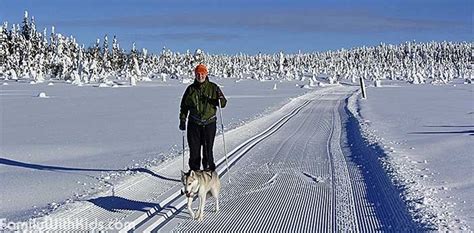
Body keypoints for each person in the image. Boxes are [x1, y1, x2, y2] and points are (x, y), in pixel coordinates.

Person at [179, 64, 227, 171]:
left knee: (207, 151)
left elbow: (223, 103)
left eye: (202, 74)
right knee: (194, 151)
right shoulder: (190, 89)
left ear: (206, 74)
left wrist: (219, 98)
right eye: (198, 74)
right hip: (194, 124)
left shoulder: (213, 88)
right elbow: (184, 106)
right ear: (195, 75)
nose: (200, 76)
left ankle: (208, 173)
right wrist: (182, 119)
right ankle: (195, 174)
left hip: (209, 123)